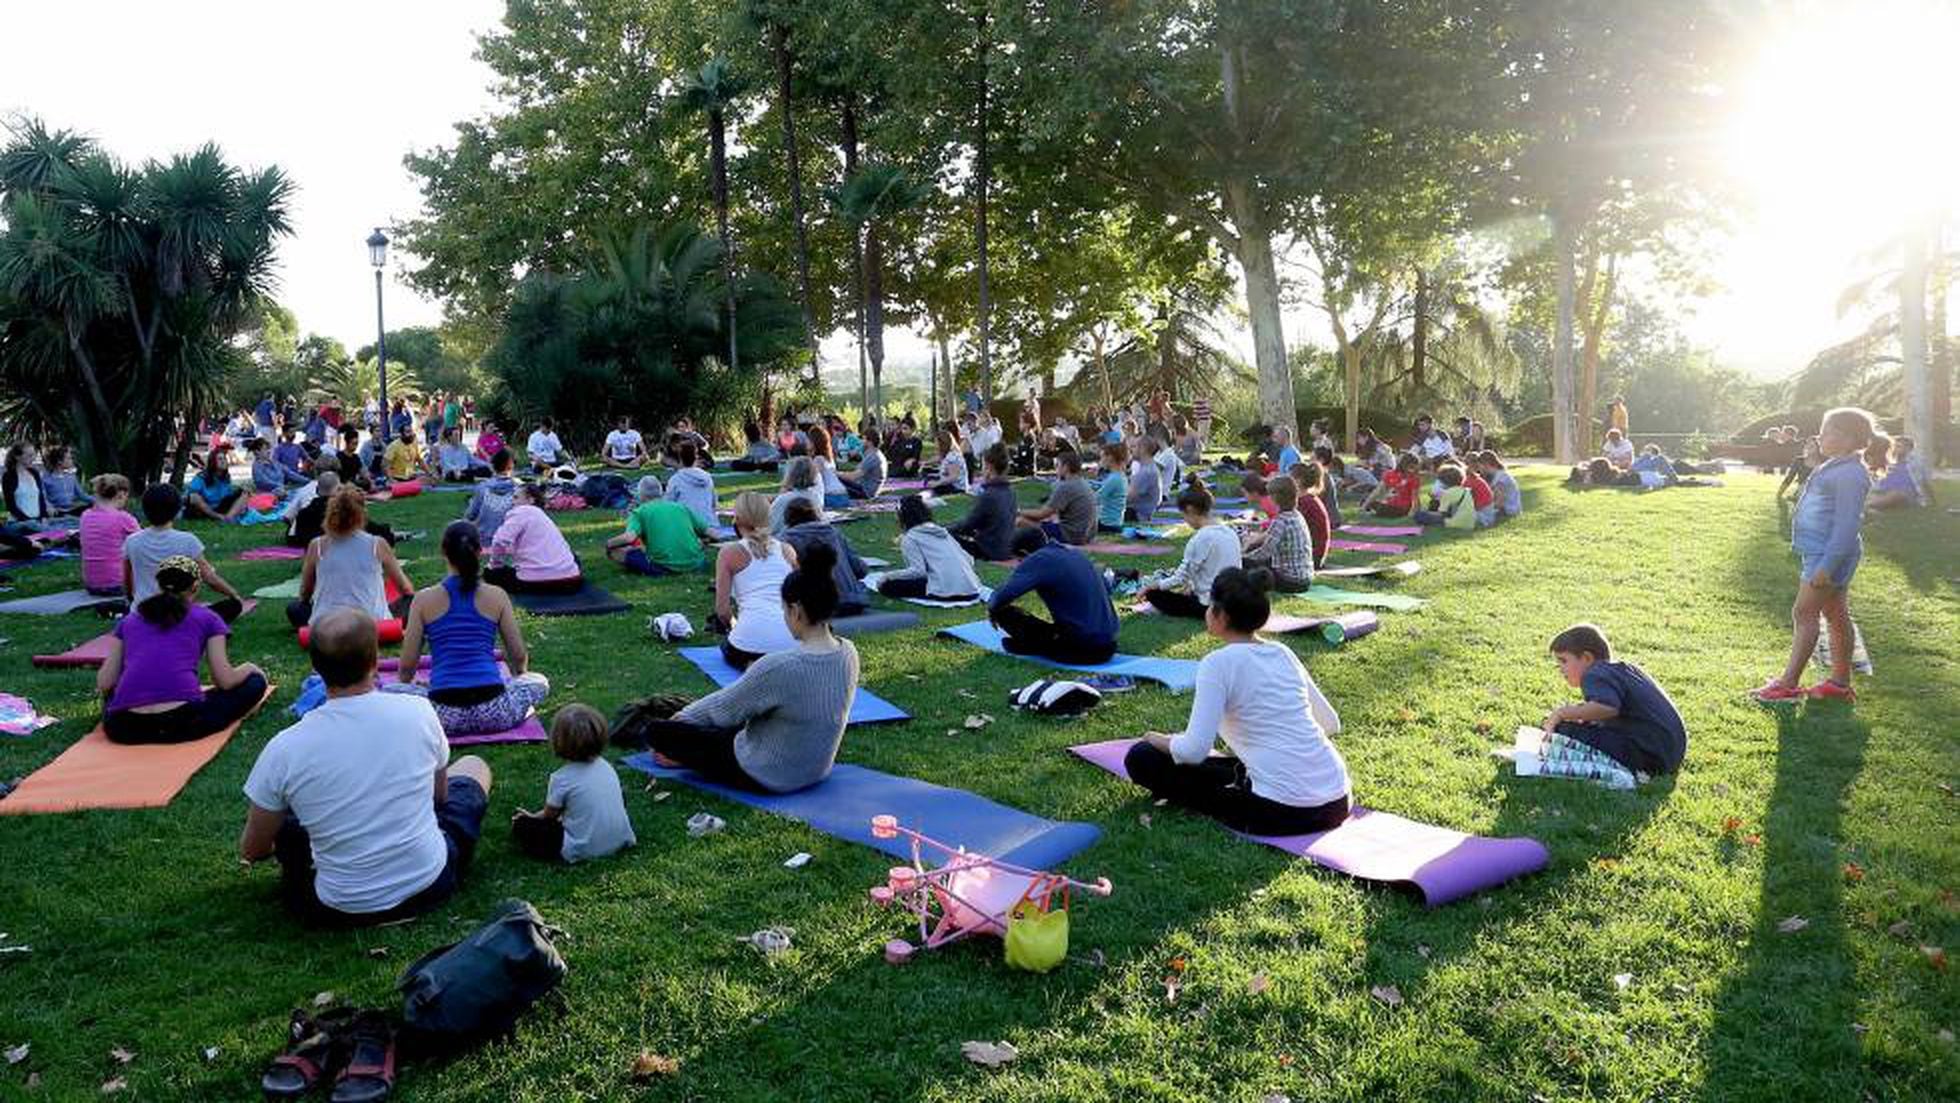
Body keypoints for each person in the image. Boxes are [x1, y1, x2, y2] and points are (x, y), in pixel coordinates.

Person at [239, 609, 493, 926]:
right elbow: (439, 798)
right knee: (473, 766)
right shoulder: (418, 711)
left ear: (315, 666)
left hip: (336, 908)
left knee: (288, 820)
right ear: (375, 660)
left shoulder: (285, 748)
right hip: (429, 884)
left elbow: (253, 849)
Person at [1126, 568, 1351, 835]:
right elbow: (1330, 723)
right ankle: (1252, 777)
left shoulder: (1217, 663)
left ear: (1221, 616)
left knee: (1142, 757)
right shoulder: (1281, 652)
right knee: (1226, 766)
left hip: (1286, 812)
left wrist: (1156, 738)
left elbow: (1193, 751)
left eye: (1211, 605)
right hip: (1339, 799)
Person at [635, 543, 858, 793]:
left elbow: (724, 708)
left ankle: (682, 754)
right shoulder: (848, 651)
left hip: (765, 772)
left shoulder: (779, 666)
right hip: (815, 769)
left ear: (795, 611)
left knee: (657, 732)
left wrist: (682, 720)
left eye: (783, 610)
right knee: (728, 726)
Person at [1751, 406, 1876, 704]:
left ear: (1847, 439)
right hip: (1822, 553)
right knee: (1834, 613)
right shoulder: (1836, 466)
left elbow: (1847, 525)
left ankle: (1788, 684)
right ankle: (1839, 683)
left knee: (1804, 613)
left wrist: (1827, 566)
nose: (1821, 436)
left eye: (1828, 431)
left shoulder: (1849, 474)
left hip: (1828, 556)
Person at [386, 521, 550, 735]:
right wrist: (519, 678)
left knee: (388, 691)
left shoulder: (423, 600)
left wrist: (411, 689)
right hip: (494, 712)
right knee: (540, 681)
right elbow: (518, 657)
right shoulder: (496, 595)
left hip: (441, 716)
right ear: (480, 551)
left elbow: (407, 667)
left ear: (443, 551)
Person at [96, 555, 268, 744]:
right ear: (195, 586)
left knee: (111, 696)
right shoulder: (208, 618)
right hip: (184, 723)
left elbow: (105, 682)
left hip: (125, 728)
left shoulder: (130, 620)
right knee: (254, 683)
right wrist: (249, 668)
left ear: (159, 585)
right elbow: (225, 681)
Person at [1539, 623, 1687, 788]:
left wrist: (1562, 713)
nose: (1560, 669)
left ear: (1587, 658)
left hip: (1647, 756)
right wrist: (1583, 715)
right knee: (1580, 725)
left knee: (1562, 730)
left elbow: (1607, 708)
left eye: (1563, 661)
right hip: (1668, 754)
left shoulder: (1594, 673)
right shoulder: (1623, 670)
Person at [510, 704, 636, 862]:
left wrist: (531, 817)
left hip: (583, 848)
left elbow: (550, 816)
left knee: (523, 825)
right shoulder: (606, 766)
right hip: (620, 838)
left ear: (558, 742)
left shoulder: (562, 778)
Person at [988, 527, 1120, 664]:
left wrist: (993, 608)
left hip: (1084, 650)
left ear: (1024, 553)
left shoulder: (1038, 559)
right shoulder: (1075, 553)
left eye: (1020, 561)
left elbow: (1002, 595)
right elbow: (1106, 587)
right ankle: (1041, 645)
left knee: (1004, 612)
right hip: (1110, 643)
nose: (1020, 565)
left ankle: (1035, 646)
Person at [288, 488, 416, 629]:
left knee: (295, 608)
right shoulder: (377, 544)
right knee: (413, 600)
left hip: (326, 623)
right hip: (372, 622)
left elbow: (305, 592)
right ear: (362, 515)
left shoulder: (316, 545)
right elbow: (406, 589)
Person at [124, 484, 246, 622]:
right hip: (178, 615)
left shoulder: (131, 541)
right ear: (177, 510)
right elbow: (210, 578)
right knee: (232, 606)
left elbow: (127, 579)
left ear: (145, 510)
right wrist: (234, 595)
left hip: (141, 613)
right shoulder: (187, 540)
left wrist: (131, 599)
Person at [714, 491, 801, 670]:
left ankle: (758, 666)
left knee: (728, 646)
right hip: (792, 643)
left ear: (737, 519)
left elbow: (722, 611)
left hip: (748, 645)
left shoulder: (728, 553)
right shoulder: (787, 550)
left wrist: (735, 626)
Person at [1142, 482, 1242, 617]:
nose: (1185, 520)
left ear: (1190, 510)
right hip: (1234, 601)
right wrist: (1191, 585)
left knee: (1153, 594)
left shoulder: (1200, 538)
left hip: (1210, 605)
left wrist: (1155, 586)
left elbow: (1180, 578)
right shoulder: (1230, 532)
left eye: (1183, 515)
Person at [874, 495, 982, 601]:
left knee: (888, 586)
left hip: (946, 590)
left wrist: (887, 576)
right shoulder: (942, 532)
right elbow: (969, 559)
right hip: (972, 589)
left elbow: (918, 572)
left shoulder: (911, 537)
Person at [486, 483, 584, 594]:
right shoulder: (543, 516)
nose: (512, 502)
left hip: (537, 583)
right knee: (573, 558)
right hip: (572, 581)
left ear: (531, 500)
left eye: (516, 497)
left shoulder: (520, 511)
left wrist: (495, 564)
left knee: (490, 573)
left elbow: (500, 541)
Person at [779, 499, 871, 615]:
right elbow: (860, 569)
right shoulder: (833, 532)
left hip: (819, 604)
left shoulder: (786, 540)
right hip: (853, 600)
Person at [609, 480, 712, 576]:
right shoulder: (681, 507)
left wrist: (608, 544)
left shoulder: (639, 512)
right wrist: (704, 542)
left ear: (640, 495)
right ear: (661, 492)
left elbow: (629, 538)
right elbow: (712, 533)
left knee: (615, 551)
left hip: (663, 567)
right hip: (696, 563)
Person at [1241, 475, 1315, 591]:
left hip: (1291, 581)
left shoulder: (1280, 521)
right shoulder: (1296, 515)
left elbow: (1265, 552)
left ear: (1276, 498)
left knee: (1245, 564)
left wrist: (1243, 558)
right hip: (1305, 577)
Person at [947, 445, 1017, 562]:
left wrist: (944, 530)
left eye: (982, 466)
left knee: (946, 538)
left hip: (989, 550)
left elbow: (967, 526)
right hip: (1006, 548)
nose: (981, 470)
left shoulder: (989, 495)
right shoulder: (1010, 491)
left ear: (989, 467)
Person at [1017, 450, 1098, 545]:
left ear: (1066, 467)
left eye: (1057, 465)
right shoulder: (1082, 482)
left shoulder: (1066, 486)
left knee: (1020, 521)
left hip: (1073, 536)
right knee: (1043, 520)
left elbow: (1041, 514)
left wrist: (1018, 511)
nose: (1056, 469)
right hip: (1087, 535)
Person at [81, 474, 141, 597]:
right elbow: (145, 542)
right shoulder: (123, 518)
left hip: (91, 584)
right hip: (118, 585)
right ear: (122, 494)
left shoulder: (85, 516)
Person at [464, 450, 521, 542]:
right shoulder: (520, 491)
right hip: (509, 540)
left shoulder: (482, 487)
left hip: (484, 538)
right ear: (512, 468)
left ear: (493, 467)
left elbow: (470, 515)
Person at [184, 447, 249, 521]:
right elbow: (189, 496)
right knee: (194, 496)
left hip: (219, 506)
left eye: (224, 459)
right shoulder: (202, 477)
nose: (223, 461)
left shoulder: (225, 477)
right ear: (213, 462)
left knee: (244, 493)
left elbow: (227, 496)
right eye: (220, 459)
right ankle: (219, 517)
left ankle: (228, 518)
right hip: (203, 510)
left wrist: (239, 493)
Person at [663, 441, 718, 528]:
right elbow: (714, 504)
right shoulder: (708, 477)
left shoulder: (675, 480)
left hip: (688, 527)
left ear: (680, 458)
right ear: (696, 457)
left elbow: (667, 507)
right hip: (710, 524)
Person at [1868, 435, 1931, 509]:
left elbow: (1924, 483)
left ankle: (1869, 507)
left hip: (1905, 496)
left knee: (1896, 495)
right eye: (1894, 446)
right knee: (1872, 495)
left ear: (1908, 449)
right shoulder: (1888, 463)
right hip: (1883, 493)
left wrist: (1931, 500)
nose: (1895, 449)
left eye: (1899, 446)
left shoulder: (1915, 464)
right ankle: (1871, 506)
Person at [769, 457, 826, 536]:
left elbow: (771, 528)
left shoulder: (783, 499)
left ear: (790, 475)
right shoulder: (815, 499)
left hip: (786, 540)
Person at [1413, 464, 1476, 529]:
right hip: (1470, 523)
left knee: (1419, 515)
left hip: (1455, 523)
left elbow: (1441, 514)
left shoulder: (1448, 493)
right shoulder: (1466, 490)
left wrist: (1428, 513)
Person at [1362, 452, 1421, 518]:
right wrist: (1365, 505)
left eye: (1415, 468)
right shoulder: (1390, 474)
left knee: (1383, 509)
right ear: (1404, 465)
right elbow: (1378, 491)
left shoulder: (1414, 479)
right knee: (1365, 500)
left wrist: (1412, 512)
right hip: (1389, 503)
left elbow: (1415, 497)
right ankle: (1372, 510)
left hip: (1402, 507)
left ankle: (1374, 512)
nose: (1413, 470)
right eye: (1411, 467)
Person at [806, 425, 851, 509]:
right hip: (844, 496)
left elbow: (813, 482)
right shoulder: (829, 459)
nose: (806, 442)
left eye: (809, 440)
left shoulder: (818, 460)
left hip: (832, 498)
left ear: (814, 442)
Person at [1475, 451, 1523, 521]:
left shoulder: (1501, 478)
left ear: (1486, 464)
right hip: (1505, 510)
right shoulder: (1496, 475)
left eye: (1480, 466)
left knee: (1475, 515)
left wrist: (1481, 507)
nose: (1479, 470)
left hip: (1508, 511)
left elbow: (1499, 502)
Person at [39, 445, 86, 514]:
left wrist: (100, 500)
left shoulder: (71, 477)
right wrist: (49, 506)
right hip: (57, 511)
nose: (71, 461)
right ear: (59, 462)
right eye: (69, 458)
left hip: (72, 509)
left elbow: (82, 495)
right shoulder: (46, 479)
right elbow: (44, 498)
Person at [1095, 441, 1130, 533]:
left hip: (1108, 525)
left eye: (1101, 457)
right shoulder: (1120, 476)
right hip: (1115, 523)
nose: (1100, 461)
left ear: (1110, 458)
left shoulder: (1114, 479)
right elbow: (1103, 486)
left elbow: (1096, 499)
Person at [1126, 438, 1165, 522]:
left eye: (1134, 447)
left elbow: (1129, 497)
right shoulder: (1149, 467)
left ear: (1143, 449)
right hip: (1143, 511)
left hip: (1139, 514)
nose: (1131, 450)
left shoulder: (1146, 472)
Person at [840, 433, 885, 500]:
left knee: (837, 480)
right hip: (867, 490)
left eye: (863, 439)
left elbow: (853, 477)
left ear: (870, 442)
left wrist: (836, 473)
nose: (861, 441)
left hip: (865, 492)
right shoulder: (874, 454)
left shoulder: (873, 457)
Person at [929, 430, 971, 496]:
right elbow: (937, 458)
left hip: (957, 489)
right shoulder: (949, 454)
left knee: (934, 489)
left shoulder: (952, 457)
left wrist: (937, 483)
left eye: (936, 442)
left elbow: (953, 477)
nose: (935, 445)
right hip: (952, 486)